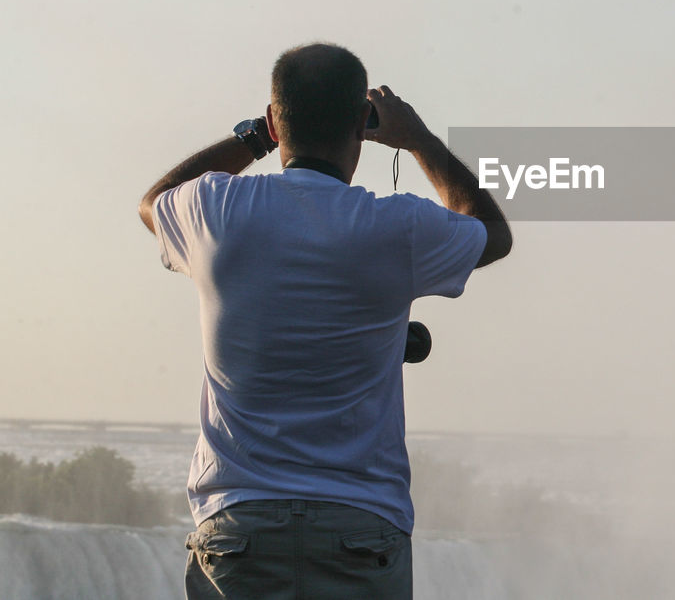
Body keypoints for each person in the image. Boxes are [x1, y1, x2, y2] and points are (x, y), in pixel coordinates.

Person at [138, 43, 512, 600]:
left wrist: (256, 137)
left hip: (239, 530)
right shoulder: (397, 226)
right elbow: (490, 233)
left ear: (274, 120)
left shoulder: (216, 210)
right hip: (360, 529)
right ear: (362, 125)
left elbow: (154, 202)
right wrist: (418, 140)